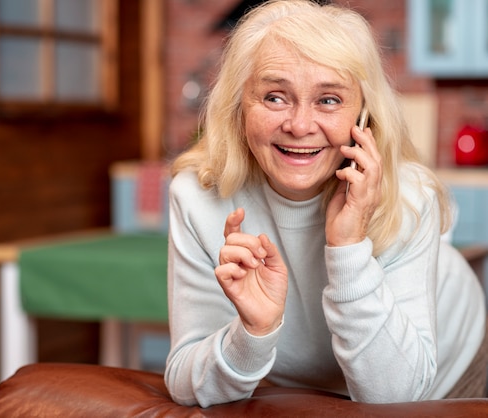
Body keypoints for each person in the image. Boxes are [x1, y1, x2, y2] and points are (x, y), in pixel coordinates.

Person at [164, 0, 487, 407]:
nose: (299, 126)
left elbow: (397, 396)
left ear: (363, 115)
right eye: (275, 97)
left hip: (446, 365)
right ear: (238, 105)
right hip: (306, 388)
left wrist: (349, 249)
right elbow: (183, 380)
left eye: (329, 100)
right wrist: (251, 334)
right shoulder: (197, 195)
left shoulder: (408, 195)